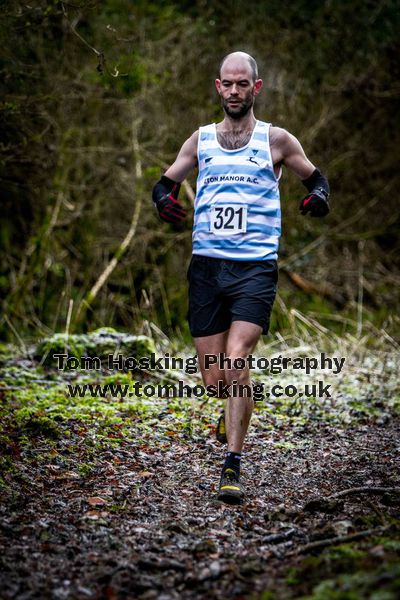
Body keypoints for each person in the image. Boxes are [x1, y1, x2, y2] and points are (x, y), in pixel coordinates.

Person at [152, 51, 330, 505]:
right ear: (218, 87)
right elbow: (165, 181)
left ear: (257, 87)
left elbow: (317, 180)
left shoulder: (278, 140)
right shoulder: (201, 139)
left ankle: (232, 462)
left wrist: (319, 199)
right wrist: (162, 200)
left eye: (242, 84)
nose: (234, 91)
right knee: (216, 380)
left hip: (255, 267)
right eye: (227, 84)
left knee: (237, 361)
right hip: (206, 269)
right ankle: (232, 412)